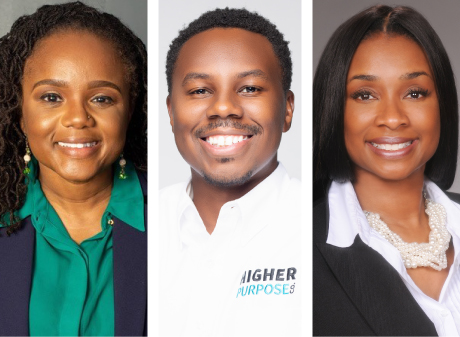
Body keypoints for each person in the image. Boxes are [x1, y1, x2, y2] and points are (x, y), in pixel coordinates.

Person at [0, 2, 147, 335]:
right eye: (52, 97)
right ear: (20, 112)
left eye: (102, 98)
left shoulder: (183, 219)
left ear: (129, 108)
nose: (78, 117)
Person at [313, 4, 460, 336]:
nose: (393, 117)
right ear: (334, 107)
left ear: (442, 105)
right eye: (365, 95)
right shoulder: (288, 248)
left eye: (414, 93)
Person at [160, 8, 301, 336]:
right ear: (171, 111)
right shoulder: (143, 222)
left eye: (250, 88)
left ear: (288, 109)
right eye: (199, 91)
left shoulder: (319, 227)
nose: (223, 107)